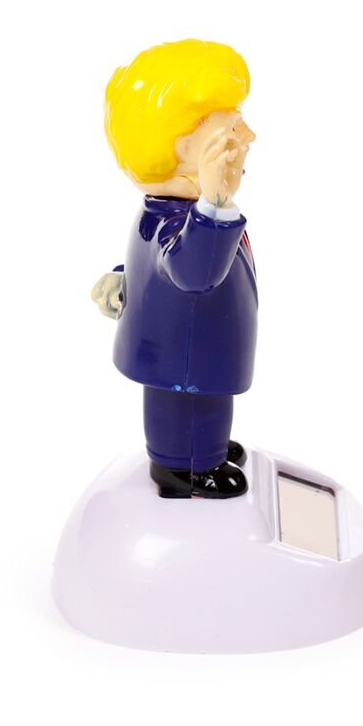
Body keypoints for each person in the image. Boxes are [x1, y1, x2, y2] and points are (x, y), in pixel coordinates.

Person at [92, 39, 257, 499]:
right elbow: (193, 271)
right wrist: (215, 204)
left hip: (194, 340)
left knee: (205, 401)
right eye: (231, 129)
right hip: (181, 351)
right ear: (183, 149)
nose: (248, 136)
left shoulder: (164, 213)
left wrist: (124, 275)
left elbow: (156, 260)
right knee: (184, 405)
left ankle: (204, 449)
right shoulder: (183, 218)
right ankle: (181, 466)